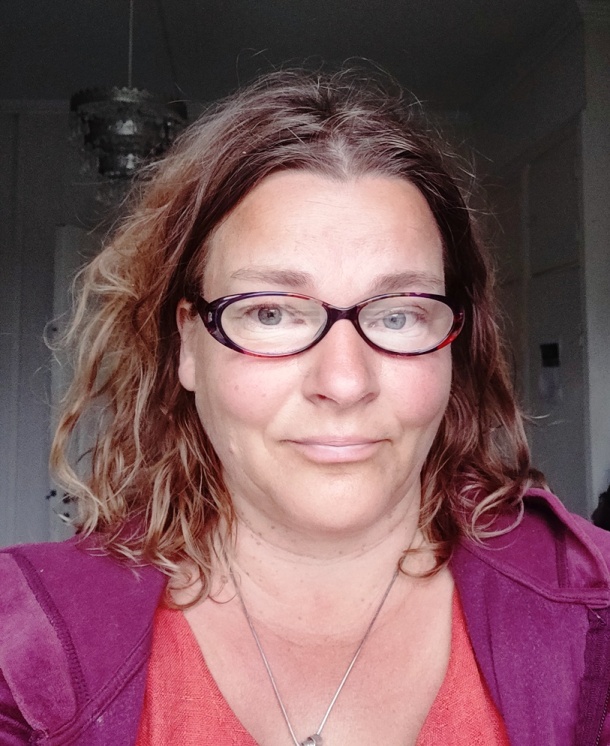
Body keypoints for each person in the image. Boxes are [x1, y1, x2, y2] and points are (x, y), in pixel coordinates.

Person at [1, 69, 609, 746]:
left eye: (399, 314)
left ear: (454, 345)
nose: (344, 383)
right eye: (271, 312)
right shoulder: (20, 648)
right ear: (188, 347)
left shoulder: (596, 614)